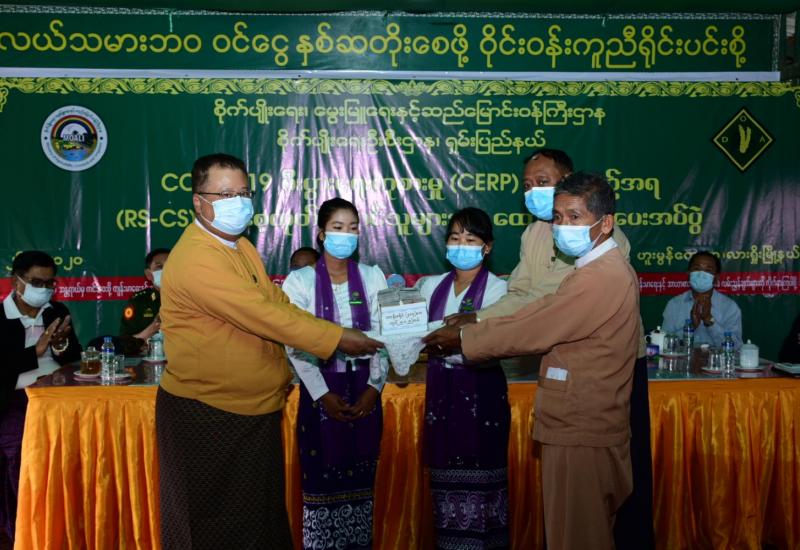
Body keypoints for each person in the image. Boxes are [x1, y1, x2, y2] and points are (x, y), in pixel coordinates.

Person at [156, 154, 383, 549]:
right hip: (211, 413)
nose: (238, 202)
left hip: (251, 410)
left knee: (258, 525)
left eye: (243, 193)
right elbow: (263, 315)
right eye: (225, 194)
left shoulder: (240, 247)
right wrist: (337, 337)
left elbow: (276, 301)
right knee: (215, 529)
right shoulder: (198, 257)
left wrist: (332, 332)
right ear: (198, 201)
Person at [447, 149, 654, 549]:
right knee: (576, 511)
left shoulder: (606, 248)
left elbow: (554, 308)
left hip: (608, 374)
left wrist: (470, 336)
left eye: (543, 182)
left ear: (568, 181)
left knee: (605, 498)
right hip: (565, 372)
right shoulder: (536, 234)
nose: (534, 192)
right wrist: (480, 319)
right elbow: (522, 295)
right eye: (527, 185)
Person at [282, 198, 388, 550]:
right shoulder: (300, 281)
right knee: (321, 485)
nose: (346, 235)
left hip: (365, 391)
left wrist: (374, 388)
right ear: (321, 234)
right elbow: (294, 342)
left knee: (362, 484)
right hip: (319, 395)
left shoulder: (372, 276)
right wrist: (322, 394)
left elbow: (385, 336)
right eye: (338, 227)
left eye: (353, 228)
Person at [415, 207, 510, 549]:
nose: (461, 245)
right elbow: (414, 336)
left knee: (484, 488)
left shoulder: (499, 291)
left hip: (482, 395)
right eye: (455, 238)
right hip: (442, 395)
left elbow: (495, 343)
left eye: (470, 239)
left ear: (487, 247)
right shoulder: (430, 287)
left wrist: (447, 342)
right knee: (445, 486)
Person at [0, 251, 81, 542]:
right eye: (37, 282)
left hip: (58, 397)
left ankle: (64, 527)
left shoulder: (55, 311)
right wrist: (35, 352)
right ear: (16, 282)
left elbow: (74, 356)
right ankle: (23, 531)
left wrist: (59, 345)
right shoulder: (1, 316)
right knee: (21, 459)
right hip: (16, 400)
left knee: (72, 456)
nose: (44, 290)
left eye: (49, 284)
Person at [662, 251, 743, 348]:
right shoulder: (674, 305)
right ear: (688, 273)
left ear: (716, 277)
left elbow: (736, 347)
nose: (701, 274)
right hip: (684, 358)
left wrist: (710, 321)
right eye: (697, 268)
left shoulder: (729, 307)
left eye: (708, 270)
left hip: (716, 358)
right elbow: (664, 344)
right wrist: (691, 327)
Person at [119, 248, 170, 341]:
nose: (166, 270)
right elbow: (124, 342)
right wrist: (152, 329)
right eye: (160, 267)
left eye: (170, 265)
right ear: (148, 274)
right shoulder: (139, 301)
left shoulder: (189, 298)